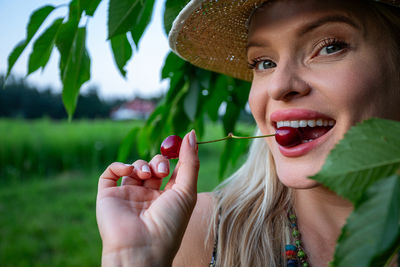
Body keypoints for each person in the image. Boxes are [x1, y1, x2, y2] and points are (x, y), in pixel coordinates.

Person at [96, 0, 400, 266]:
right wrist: (132, 259)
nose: (279, 86)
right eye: (264, 63)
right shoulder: (199, 231)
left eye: (329, 47)